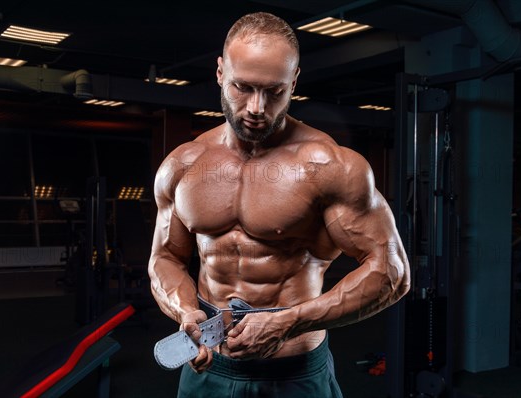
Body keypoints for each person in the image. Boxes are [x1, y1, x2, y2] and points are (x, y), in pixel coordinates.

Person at [148, 11, 410, 398]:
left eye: (274, 92)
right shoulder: (183, 165)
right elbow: (165, 258)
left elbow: (392, 273)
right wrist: (185, 310)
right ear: (220, 72)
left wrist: (288, 322)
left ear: (294, 81)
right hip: (207, 367)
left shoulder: (330, 166)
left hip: (294, 373)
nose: (256, 107)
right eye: (243, 87)